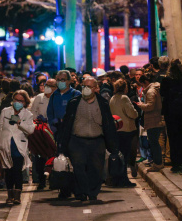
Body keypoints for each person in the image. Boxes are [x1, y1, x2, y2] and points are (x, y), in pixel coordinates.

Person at [58, 78, 117, 201]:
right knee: (79, 167)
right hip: (77, 140)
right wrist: (62, 143)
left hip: (97, 141)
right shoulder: (74, 102)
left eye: (89, 86)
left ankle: (93, 192)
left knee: (96, 169)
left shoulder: (103, 103)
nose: (86, 89)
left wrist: (113, 145)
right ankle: (81, 192)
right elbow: (67, 123)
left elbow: (109, 124)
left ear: (96, 89)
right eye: (84, 86)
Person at [0, 90, 35, 204]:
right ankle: (9, 195)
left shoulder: (28, 114)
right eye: (16, 100)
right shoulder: (6, 111)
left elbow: (30, 130)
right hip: (5, 145)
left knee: (17, 170)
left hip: (18, 146)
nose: (18, 102)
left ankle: (17, 196)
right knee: (8, 171)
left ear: (25, 102)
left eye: (21, 101)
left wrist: (20, 122)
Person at [46, 70, 81, 198]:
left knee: (76, 161)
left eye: (63, 79)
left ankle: (77, 188)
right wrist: (54, 127)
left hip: (73, 133)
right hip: (59, 133)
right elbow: (50, 113)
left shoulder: (75, 94)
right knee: (62, 161)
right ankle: (64, 189)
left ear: (69, 80)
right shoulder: (54, 95)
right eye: (58, 79)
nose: (61, 82)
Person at [161, 59, 182, 172]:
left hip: (171, 111)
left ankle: (175, 163)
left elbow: (162, 93)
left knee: (173, 136)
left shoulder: (166, 80)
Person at [109, 79, 138, 187]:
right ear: (125, 87)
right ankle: (123, 179)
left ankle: (116, 179)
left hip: (117, 129)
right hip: (126, 129)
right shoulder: (124, 98)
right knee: (125, 156)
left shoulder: (113, 98)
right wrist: (136, 112)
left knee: (118, 155)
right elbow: (132, 113)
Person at [29, 79, 57, 189]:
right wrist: (38, 120)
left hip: (53, 132)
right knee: (40, 158)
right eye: (46, 85)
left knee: (53, 157)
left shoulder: (57, 98)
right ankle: (41, 181)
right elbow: (33, 113)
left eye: (50, 85)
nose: (47, 87)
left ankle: (53, 180)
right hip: (41, 132)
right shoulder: (39, 98)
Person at [137, 72, 165, 172]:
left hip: (153, 119)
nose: (142, 87)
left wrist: (140, 105)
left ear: (145, 82)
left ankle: (157, 163)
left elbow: (150, 106)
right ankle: (158, 162)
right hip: (156, 118)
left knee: (153, 142)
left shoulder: (150, 91)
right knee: (155, 142)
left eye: (142, 84)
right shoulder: (155, 88)